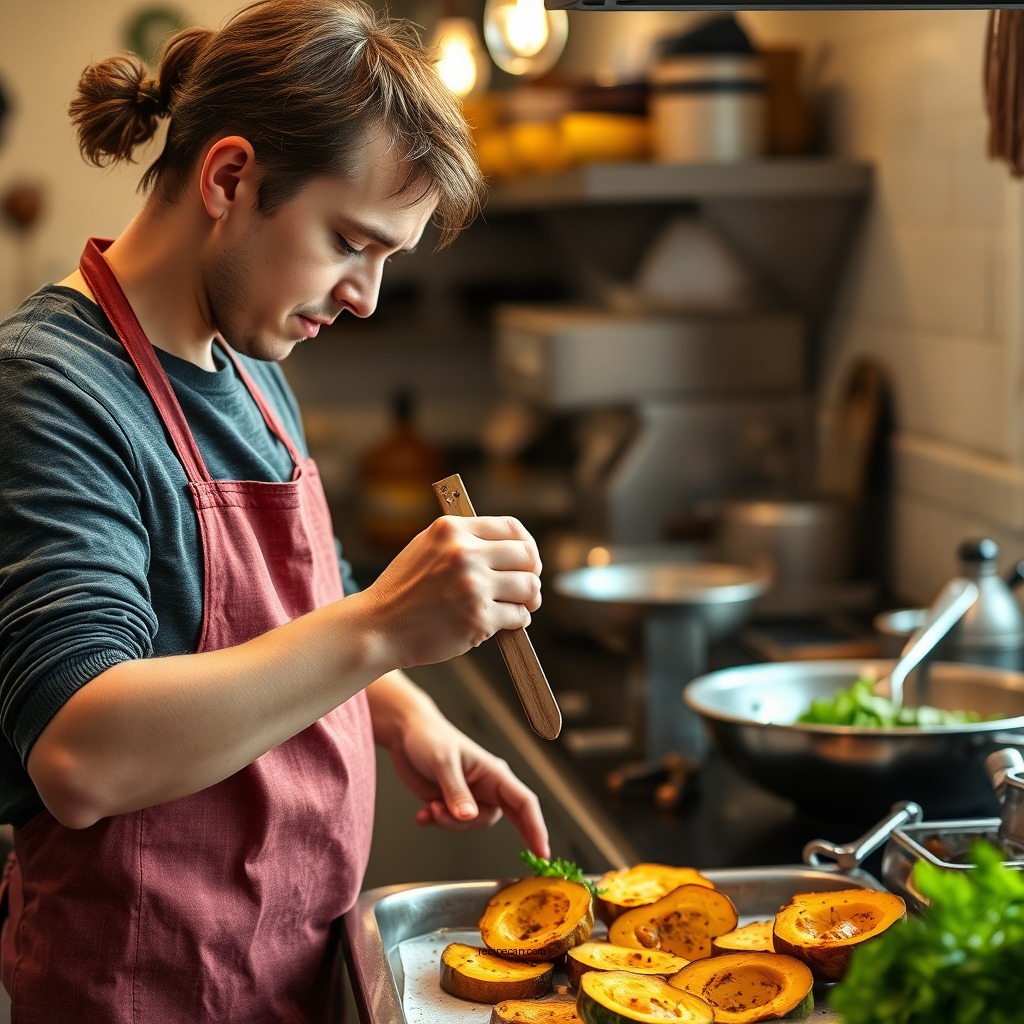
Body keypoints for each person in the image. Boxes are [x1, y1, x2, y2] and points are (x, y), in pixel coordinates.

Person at [0, 1, 550, 1020]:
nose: (366, 296)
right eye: (351, 241)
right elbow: (78, 752)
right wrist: (383, 625)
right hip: (137, 991)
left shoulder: (253, 371)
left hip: (285, 976)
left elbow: (296, 618)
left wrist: (407, 712)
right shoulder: (53, 386)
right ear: (229, 179)